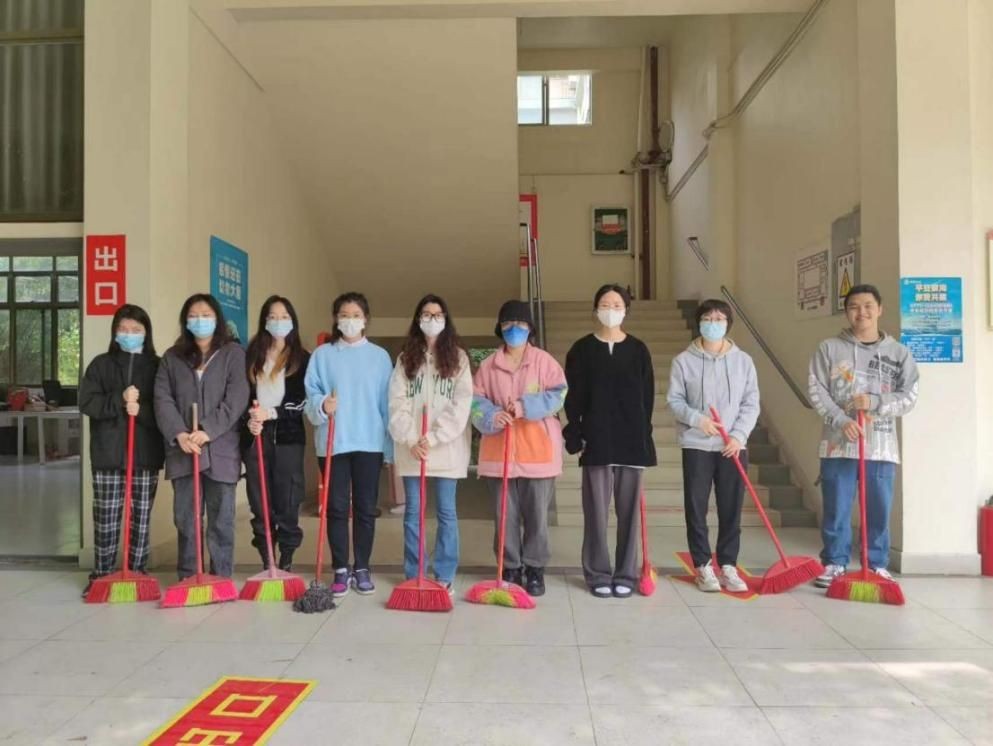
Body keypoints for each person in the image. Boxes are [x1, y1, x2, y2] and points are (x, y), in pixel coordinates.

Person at [809, 284, 919, 587]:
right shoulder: (829, 348)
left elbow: (909, 396)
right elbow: (816, 390)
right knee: (836, 508)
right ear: (847, 312)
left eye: (868, 306)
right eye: (854, 306)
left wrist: (875, 402)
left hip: (881, 447)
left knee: (878, 509)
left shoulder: (899, 353)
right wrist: (841, 419)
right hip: (837, 445)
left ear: (880, 309)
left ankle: (876, 564)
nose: (862, 312)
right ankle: (834, 562)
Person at [564, 284, 655, 599]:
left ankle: (626, 574)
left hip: (631, 441)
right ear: (595, 309)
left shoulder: (639, 350)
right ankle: (598, 573)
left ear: (626, 310)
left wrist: (644, 437)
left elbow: (647, 398)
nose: (611, 309)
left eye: (617, 304)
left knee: (629, 515)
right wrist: (575, 433)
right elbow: (573, 397)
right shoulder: (581, 349)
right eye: (605, 304)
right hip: (596, 441)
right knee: (596, 514)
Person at [472, 300, 566, 597]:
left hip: (537, 452)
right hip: (498, 452)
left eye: (521, 324)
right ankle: (510, 566)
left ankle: (535, 568)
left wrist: (526, 406)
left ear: (530, 328)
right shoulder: (488, 365)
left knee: (537, 516)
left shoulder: (544, 362)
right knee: (505, 516)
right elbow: (474, 400)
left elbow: (559, 394)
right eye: (508, 324)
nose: (514, 329)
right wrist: (491, 415)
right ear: (500, 328)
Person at [154, 293, 249, 580]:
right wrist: (180, 434)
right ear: (185, 321)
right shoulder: (172, 357)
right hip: (184, 449)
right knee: (186, 519)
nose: (200, 320)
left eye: (206, 315)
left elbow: (236, 398)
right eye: (193, 316)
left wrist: (207, 430)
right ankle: (188, 577)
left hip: (221, 448)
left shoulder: (233, 354)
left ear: (217, 319)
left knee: (221, 520)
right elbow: (162, 398)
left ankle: (221, 577)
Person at [667, 299, 760, 593]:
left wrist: (739, 436)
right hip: (697, 445)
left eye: (719, 319)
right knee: (696, 507)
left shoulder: (743, 361)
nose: (713, 323)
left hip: (732, 446)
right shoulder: (683, 361)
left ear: (728, 323)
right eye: (708, 318)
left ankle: (729, 565)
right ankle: (703, 565)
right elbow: (674, 400)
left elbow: (751, 403)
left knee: (731, 508)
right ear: (699, 322)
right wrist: (697, 420)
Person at [305, 292, 393, 598]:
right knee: (336, 508)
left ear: (365, 319)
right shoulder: (322, 355)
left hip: (369, 441)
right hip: (334, 442)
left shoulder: (380, 357)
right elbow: (311, 394)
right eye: (344, 315)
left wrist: (388, 449)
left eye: (356, 315)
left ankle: (363, 567)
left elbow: (387, 404)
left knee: (366, 508)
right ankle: (341, 568)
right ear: (336, 319)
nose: (350, 320)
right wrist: (322, 404)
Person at [388, 294, 472, 595]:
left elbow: (462, 404)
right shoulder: (405, 359)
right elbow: (396, 402)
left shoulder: (459, 358)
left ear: (446, 320)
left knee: (446, 512)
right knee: (413, 512)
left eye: (438, 315)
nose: (432, 319)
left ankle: (444, 573)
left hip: (446, 448)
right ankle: (415, 573)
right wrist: (411, 438)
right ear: (417, 319)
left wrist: (434, 436)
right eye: (426, 314)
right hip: (413, 449)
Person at [78, 304, 165, 597]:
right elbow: (87, 403)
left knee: (140, 518)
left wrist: (140, 410)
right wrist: (119, 399)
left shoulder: (157, 366)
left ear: (146, 333)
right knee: (106, 517)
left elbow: (166, 409)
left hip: (145, 454)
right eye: (123, 329)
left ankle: (137, 573)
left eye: (136, 330)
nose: (129, 334)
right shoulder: (100, 365)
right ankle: (102, 575)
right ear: (115, 333)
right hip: (108, 454)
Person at [242, 295, 310, 572]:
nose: (278, 321)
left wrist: (271, 413)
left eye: (284, 317)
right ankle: (267, 557)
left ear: (292, 321)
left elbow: (302, 401)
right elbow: (240, 396)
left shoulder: (302, 358)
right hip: (256, 436)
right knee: (260, 500)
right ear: (264, 321)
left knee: (288, 499)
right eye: (272, 317)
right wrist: (250, 419)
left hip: (288, 437)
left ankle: (286, 559)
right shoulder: (251, 356)